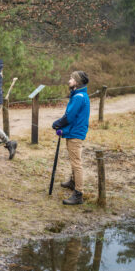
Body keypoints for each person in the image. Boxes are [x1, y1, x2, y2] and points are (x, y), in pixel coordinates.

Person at [52, 71, 90, 205]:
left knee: (76, 163)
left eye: (72, 79)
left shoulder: (79, 97)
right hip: (74, 131)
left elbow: (70, 117)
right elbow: (73, 117)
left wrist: (57, 124)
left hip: (76, 134)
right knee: (74, 160)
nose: (69, 81)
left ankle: (78, 193)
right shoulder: (79, 95)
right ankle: (73, 182)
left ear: (77, 82)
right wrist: (63, 129)